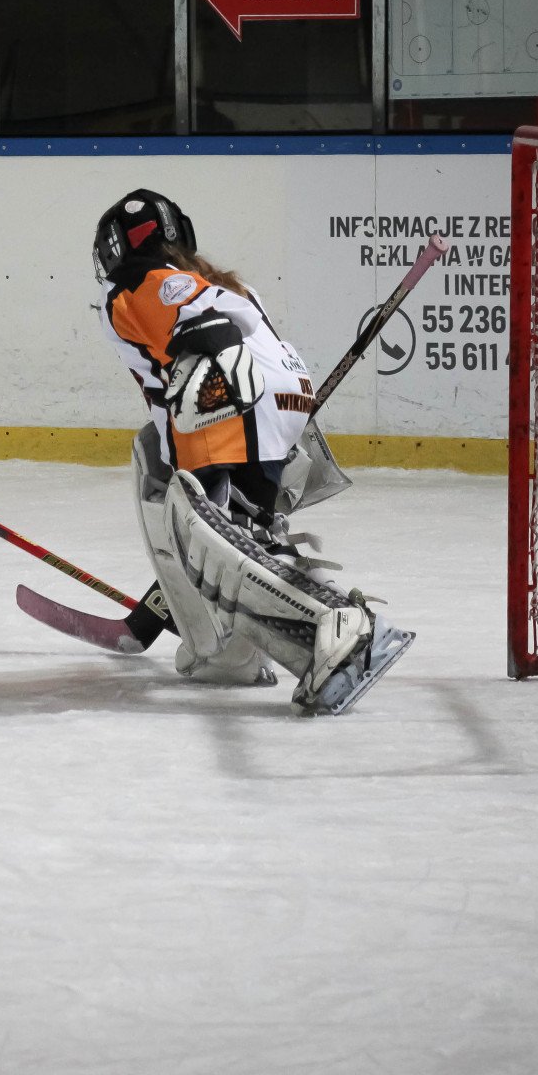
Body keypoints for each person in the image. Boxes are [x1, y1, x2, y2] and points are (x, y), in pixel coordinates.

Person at [92, 188, 414, 716]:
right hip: (280, 404)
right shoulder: (224, 283)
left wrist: (221, 426)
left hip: (228, 403)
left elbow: (209, 334)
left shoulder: (134, 286)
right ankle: (237, 653)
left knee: (220, 541)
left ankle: (333, 622)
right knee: (247, 536)